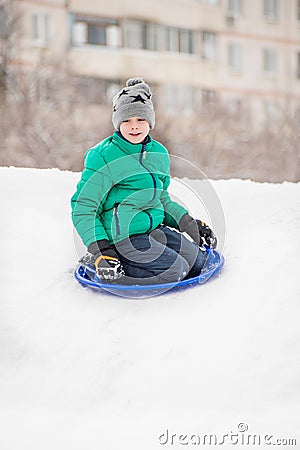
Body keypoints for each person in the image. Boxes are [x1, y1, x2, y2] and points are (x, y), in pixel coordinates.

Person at [71, 77, 217, 285]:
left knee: (198, 263)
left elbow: (162, 200)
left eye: (140, 119)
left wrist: (188, 223)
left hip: (153, 230)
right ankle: (100, 265)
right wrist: (101, 251)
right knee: (175, 270)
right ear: (117, 122)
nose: (134, 127)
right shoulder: (104, 156)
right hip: (121, 238)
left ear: (150, 121)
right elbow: (84, 207)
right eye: (127, 120)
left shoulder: (159, 153)